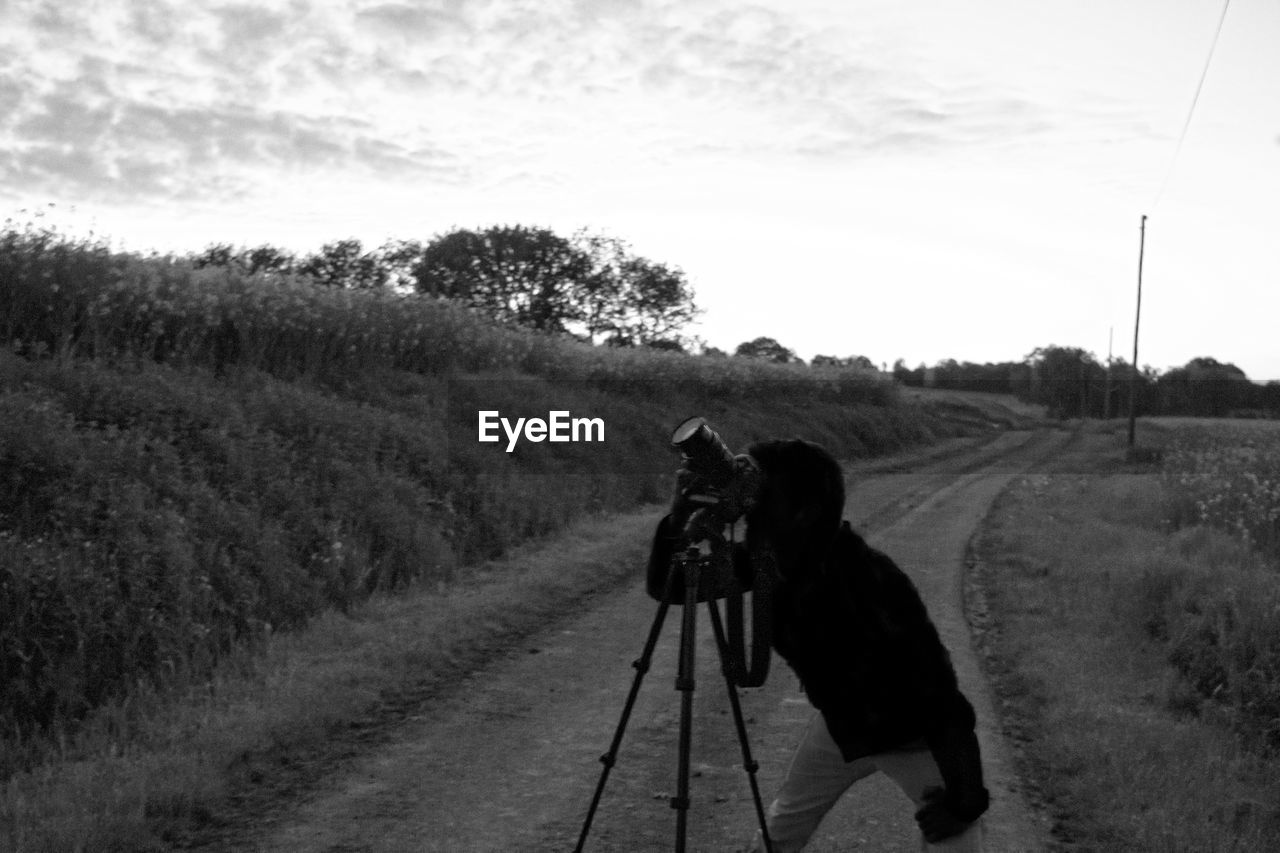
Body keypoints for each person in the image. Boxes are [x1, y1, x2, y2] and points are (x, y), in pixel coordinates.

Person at [648, 437, 988, 852]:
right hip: (841, 723)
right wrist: (679, 517)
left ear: (804, 512)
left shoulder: (866, 580)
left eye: (762, 492)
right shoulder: (776, 559)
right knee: (784, 825)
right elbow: (671, 587)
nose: (749, 504)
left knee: (957, 834)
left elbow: (939, 693)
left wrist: (968, 799)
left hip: (906, 733)